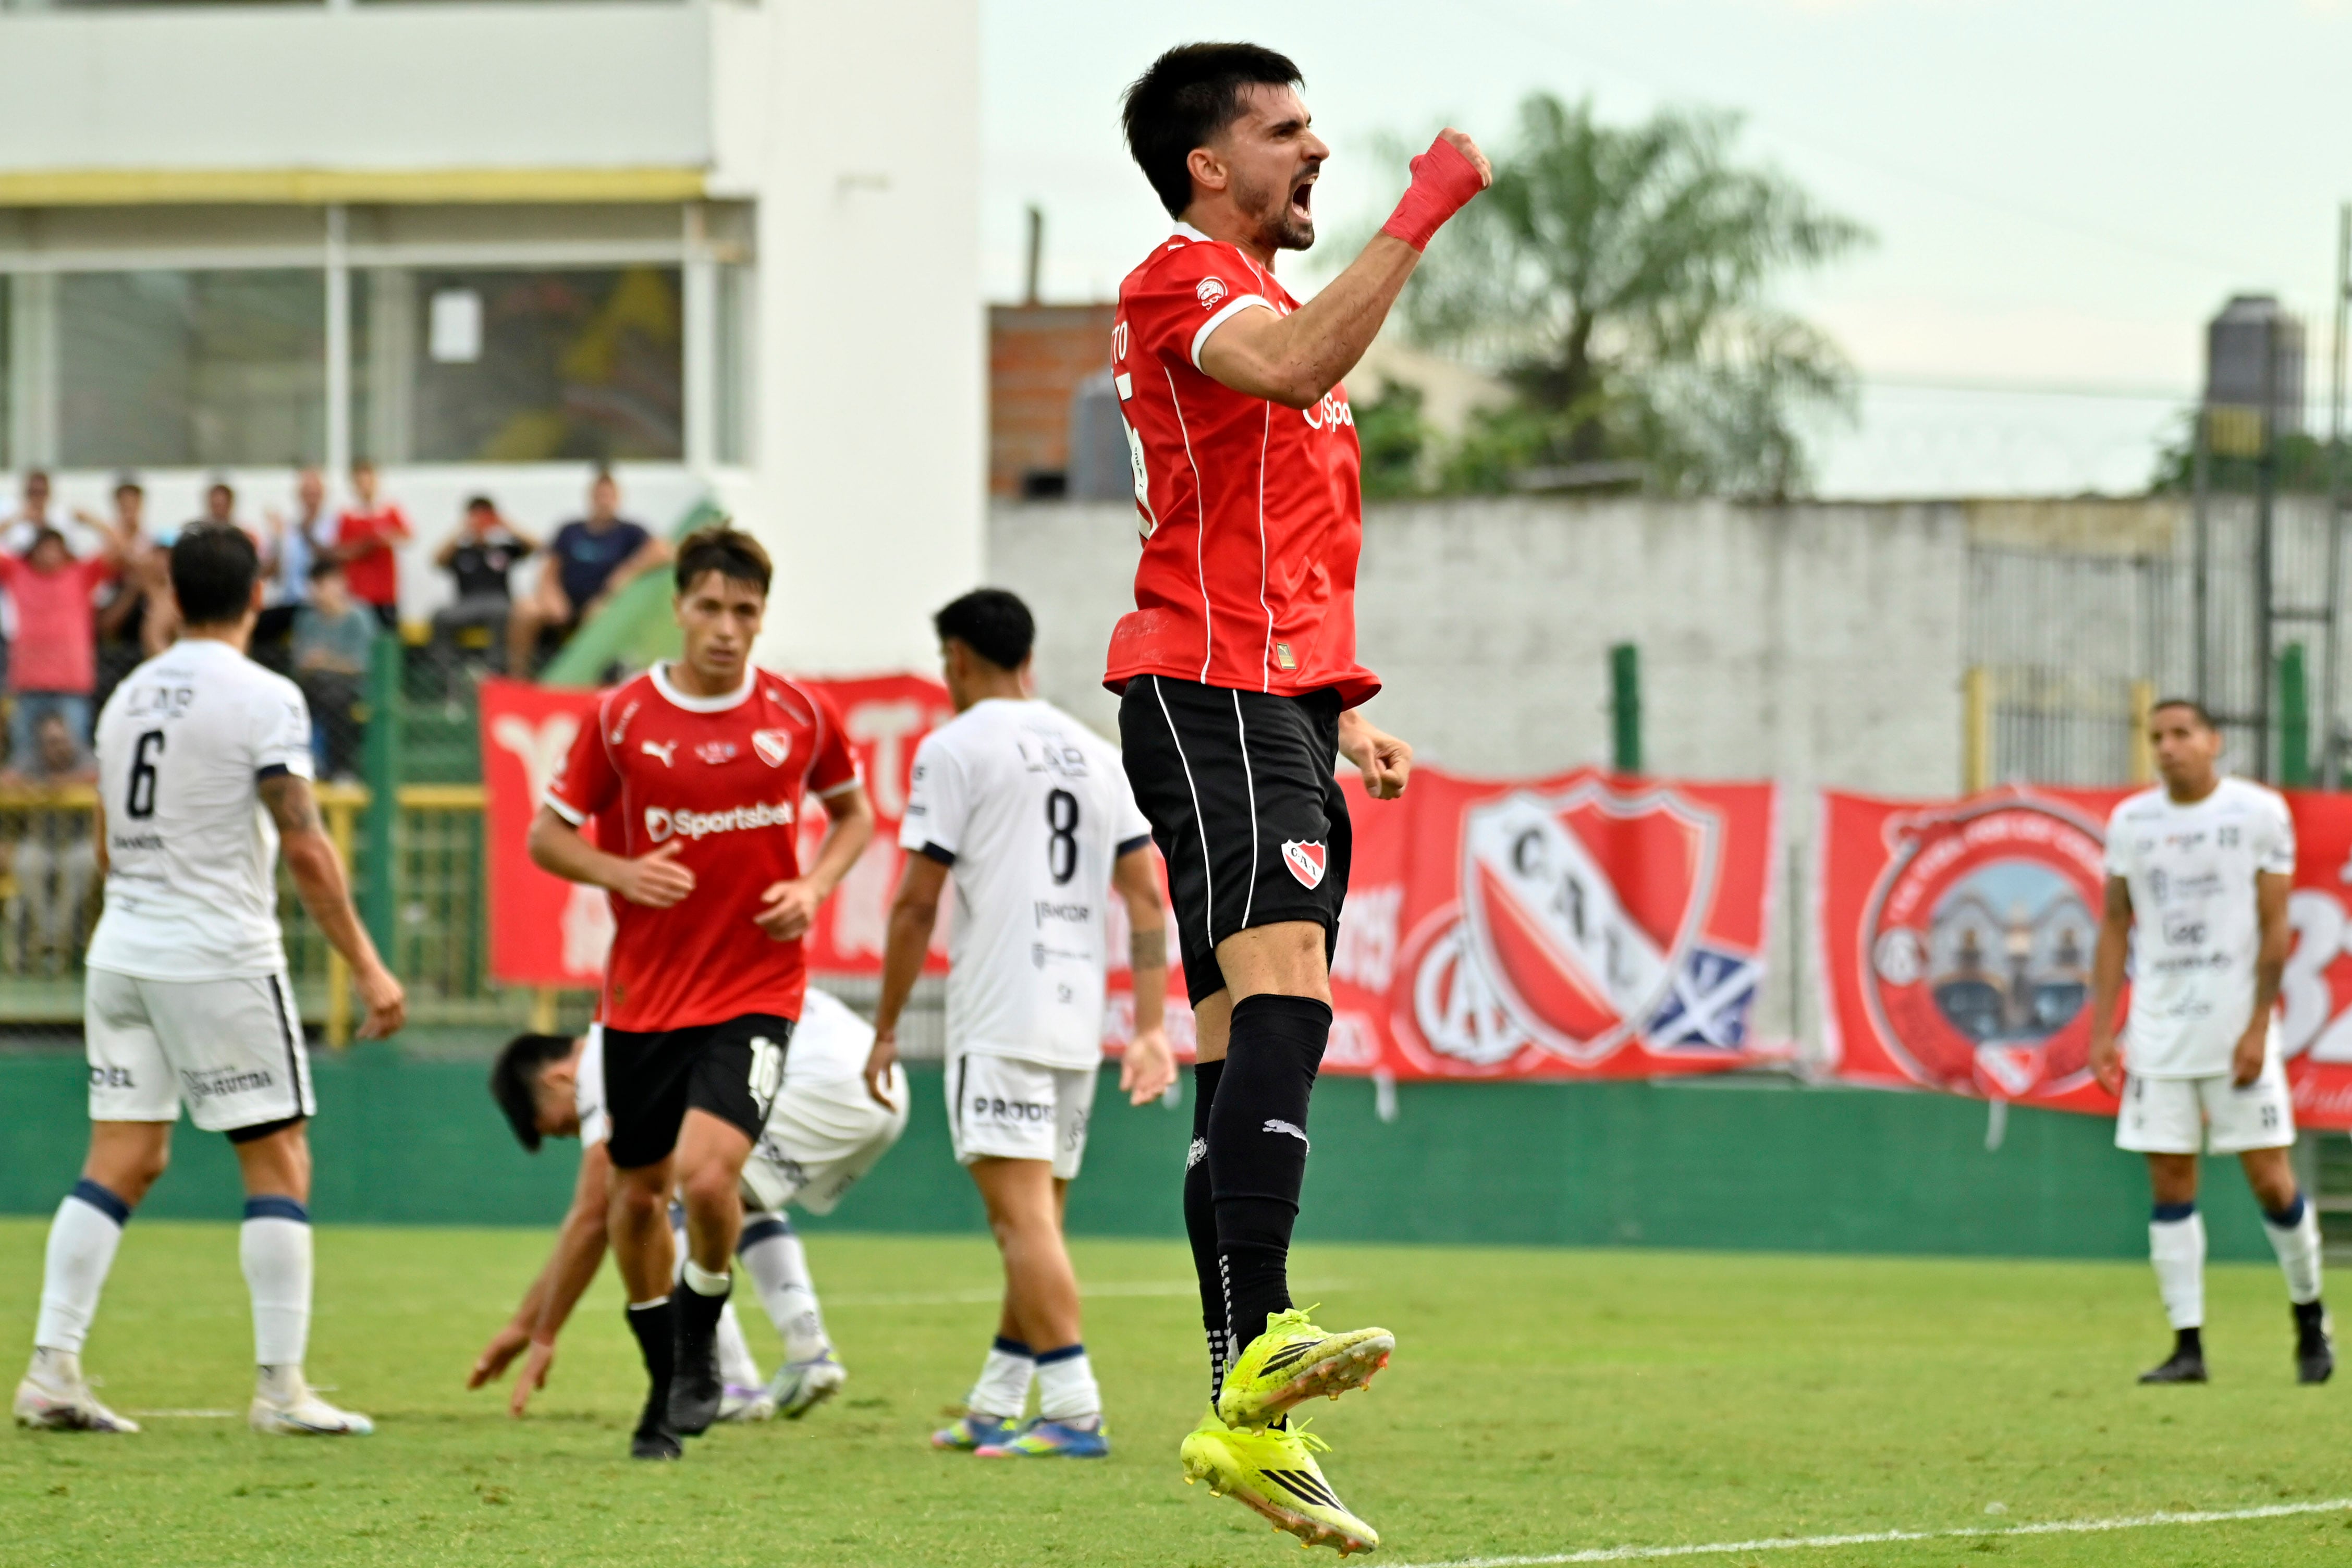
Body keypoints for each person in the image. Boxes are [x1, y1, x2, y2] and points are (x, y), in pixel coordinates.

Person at [1105, 44, 1487, 1552]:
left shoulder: (1269, 304)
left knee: (1232, 1049)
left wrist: (1345, 711)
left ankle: (1237, 1415)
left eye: (1315, 126)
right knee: (1289, 993)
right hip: (1203, 692)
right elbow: (1296, 368)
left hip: (1267, 703)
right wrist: (1426, 211)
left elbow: (1287, 548)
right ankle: (1262, 1332)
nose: (1314, 150)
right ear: (1211, 164)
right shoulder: (1182, 281)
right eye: (1284, 131)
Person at [12, 524, 406, 1438]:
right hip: (216, 954)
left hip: (123, 953)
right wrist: (369, 963)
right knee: (279, 1156)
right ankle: (281, 1388)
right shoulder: (267, 696)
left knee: (125, 1156)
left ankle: (50, 1369)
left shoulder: (126, 698)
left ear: (174, 597)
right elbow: (305, 841)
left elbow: (108, 845)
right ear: (259, 595)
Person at [526, 524, 875, 1460]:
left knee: (709, 1176)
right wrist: (620, 870)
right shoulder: (621, 718)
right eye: (711, 607)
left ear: (763, 619)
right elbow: (546, 836)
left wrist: (813, 887)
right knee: (634, 1202)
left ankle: (699, 1334)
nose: (727, 627)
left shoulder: (799, 713)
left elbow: (853, 817)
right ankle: (664, 1387)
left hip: (756, 988)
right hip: (642, 999)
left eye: (745, 611)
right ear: (679, 608)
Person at [864, 588, 1177, 1460]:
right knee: (1035, 1220)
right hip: (1076, 1016)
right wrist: (1148, 1027)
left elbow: (915, 902)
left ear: (957, 657)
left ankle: (1074, 1408)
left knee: (1020, 1224)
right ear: (1027, 656)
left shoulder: (953, 747)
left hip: (1000, 1013)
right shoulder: (1093, 748)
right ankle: (998, 1397)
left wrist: (885, 1027)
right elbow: (1146, 898)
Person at [471, 987, 907, 1423]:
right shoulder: (673, 995)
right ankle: (808, 1351)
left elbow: (595, 1214)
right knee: (736, 1193)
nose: (571, 1136)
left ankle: (732, 1383)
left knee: (666, 1192)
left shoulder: (607, 1055)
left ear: (558, 1080)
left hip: (822, 1084)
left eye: (559, 1127)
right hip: (882, 1083)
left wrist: (532, 1327)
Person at [2089, 698, 2332, 1387]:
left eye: (2181, 734)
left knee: (2269, 1178)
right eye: (2156, 736)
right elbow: (2114, 923)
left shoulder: (2256, 814)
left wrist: (2259, 1025)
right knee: (2168, 1179)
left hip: (2233, 1028)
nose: (2168, 747)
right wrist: (2104, 1028)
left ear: (2213, 742)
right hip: (2160, 1028)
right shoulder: (2133, 821)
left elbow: (2276, 924)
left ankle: (2309, 1316)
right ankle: (2187, 1345)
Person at [507, 470, 669, 678]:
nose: (604, 501)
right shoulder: (570, 529)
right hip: (565, 604)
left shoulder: (630, 532)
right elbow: (550, 566)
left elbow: (663, 551)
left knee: (599, 616)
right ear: (591, 498)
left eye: (609, 496)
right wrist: (551, 596)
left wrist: (625, 574)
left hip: (603, 604)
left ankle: (579, 681)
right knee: (525, 609)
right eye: (599, 496)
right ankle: (518, 678)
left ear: (618, 499)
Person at [0, 523, 124, 761]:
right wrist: (20, 519)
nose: (49, 554)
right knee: (24, 762)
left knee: (76, 759)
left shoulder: (81, 575)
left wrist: (89, 519)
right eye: (44, 548)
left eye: (55, 548)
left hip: (72, 685)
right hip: (28, 685)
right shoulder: (18, 573)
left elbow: (118, 548)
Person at [2, 709, 100, 974]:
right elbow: (6, 781)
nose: (58, 747)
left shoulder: (83, 757)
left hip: (77, 842)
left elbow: (99, 777)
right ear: (42, 744)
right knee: (27, 863)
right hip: (40, 842)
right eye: (51, 742)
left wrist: (60, 784)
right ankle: (52, 942)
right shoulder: (31, 761)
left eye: (62, 740)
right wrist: (39, 785)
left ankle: (55, 943)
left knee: (81, 864)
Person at [290, 560, 378, 780]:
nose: (318, 591)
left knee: (336, 698)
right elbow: (300, 663)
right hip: (315, 683)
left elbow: (362, 665)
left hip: (351, 687)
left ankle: (341, 771)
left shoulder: (359, 617)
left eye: (324, 584)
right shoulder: (307, 619)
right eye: (315, 585)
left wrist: (324, 662)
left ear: (341, 584)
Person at [431, 496, 537, 655]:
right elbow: (437, 559)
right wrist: (463, 529)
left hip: (499, 602)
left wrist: (506, 525)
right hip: (467, 604)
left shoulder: (503, 549)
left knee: (502, 614)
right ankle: (446, 673)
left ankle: (495, 670)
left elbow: (536, 546)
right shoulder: (461, 552)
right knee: (440, 617)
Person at [255, 469, 335, 649]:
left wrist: (306, 533)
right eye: (307, 494)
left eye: (315, 494)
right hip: (291, 602)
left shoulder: (333, 525)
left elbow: (332, 560)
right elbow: (268, 573)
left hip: (320, 605)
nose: (311, 499)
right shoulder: (288, 530)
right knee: (258, 627)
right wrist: (276, 540)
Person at [333, 460, 411, 631]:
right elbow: (340, 552)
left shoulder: (388, 511)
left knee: (387, 635)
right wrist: (365, 546)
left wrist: (387, 538)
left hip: (385, 592)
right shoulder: (348, 516)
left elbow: (407, 536)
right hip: (358, 592)